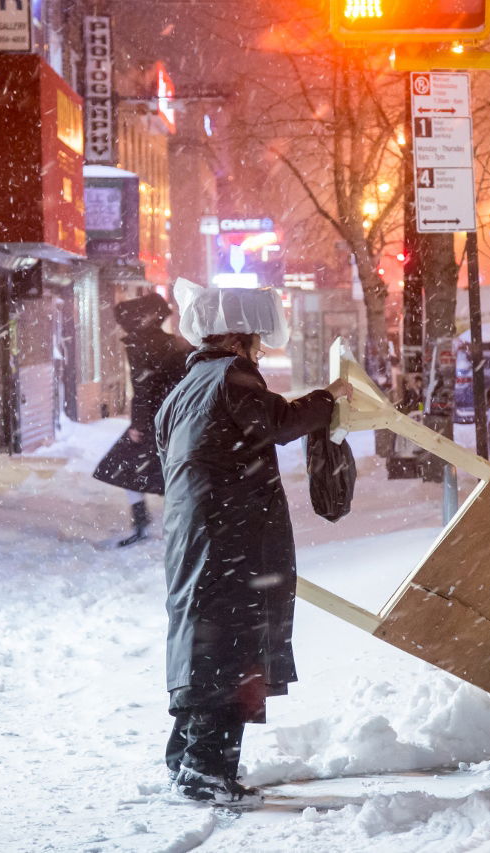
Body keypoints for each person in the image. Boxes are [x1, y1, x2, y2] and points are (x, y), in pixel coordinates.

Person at [156, 280, 352, 807]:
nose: (260, 348)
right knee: (230, 648)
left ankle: (187, 762)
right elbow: (281, 421)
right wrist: (331, 399)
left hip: (194, 535)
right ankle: (205, 774)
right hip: (228, 535)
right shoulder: (232, 377)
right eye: (256, 339)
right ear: (240, 337)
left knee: (205, 641)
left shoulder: (187, 385)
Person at [93, 293, 192, 547]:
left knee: (127, 468)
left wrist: (139, 424)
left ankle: (143, 522)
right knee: (172, 473)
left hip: (153, 418)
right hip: (178, 416)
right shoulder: (175, 344)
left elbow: (143, 387)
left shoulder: (140, 344)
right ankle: (179, 526)